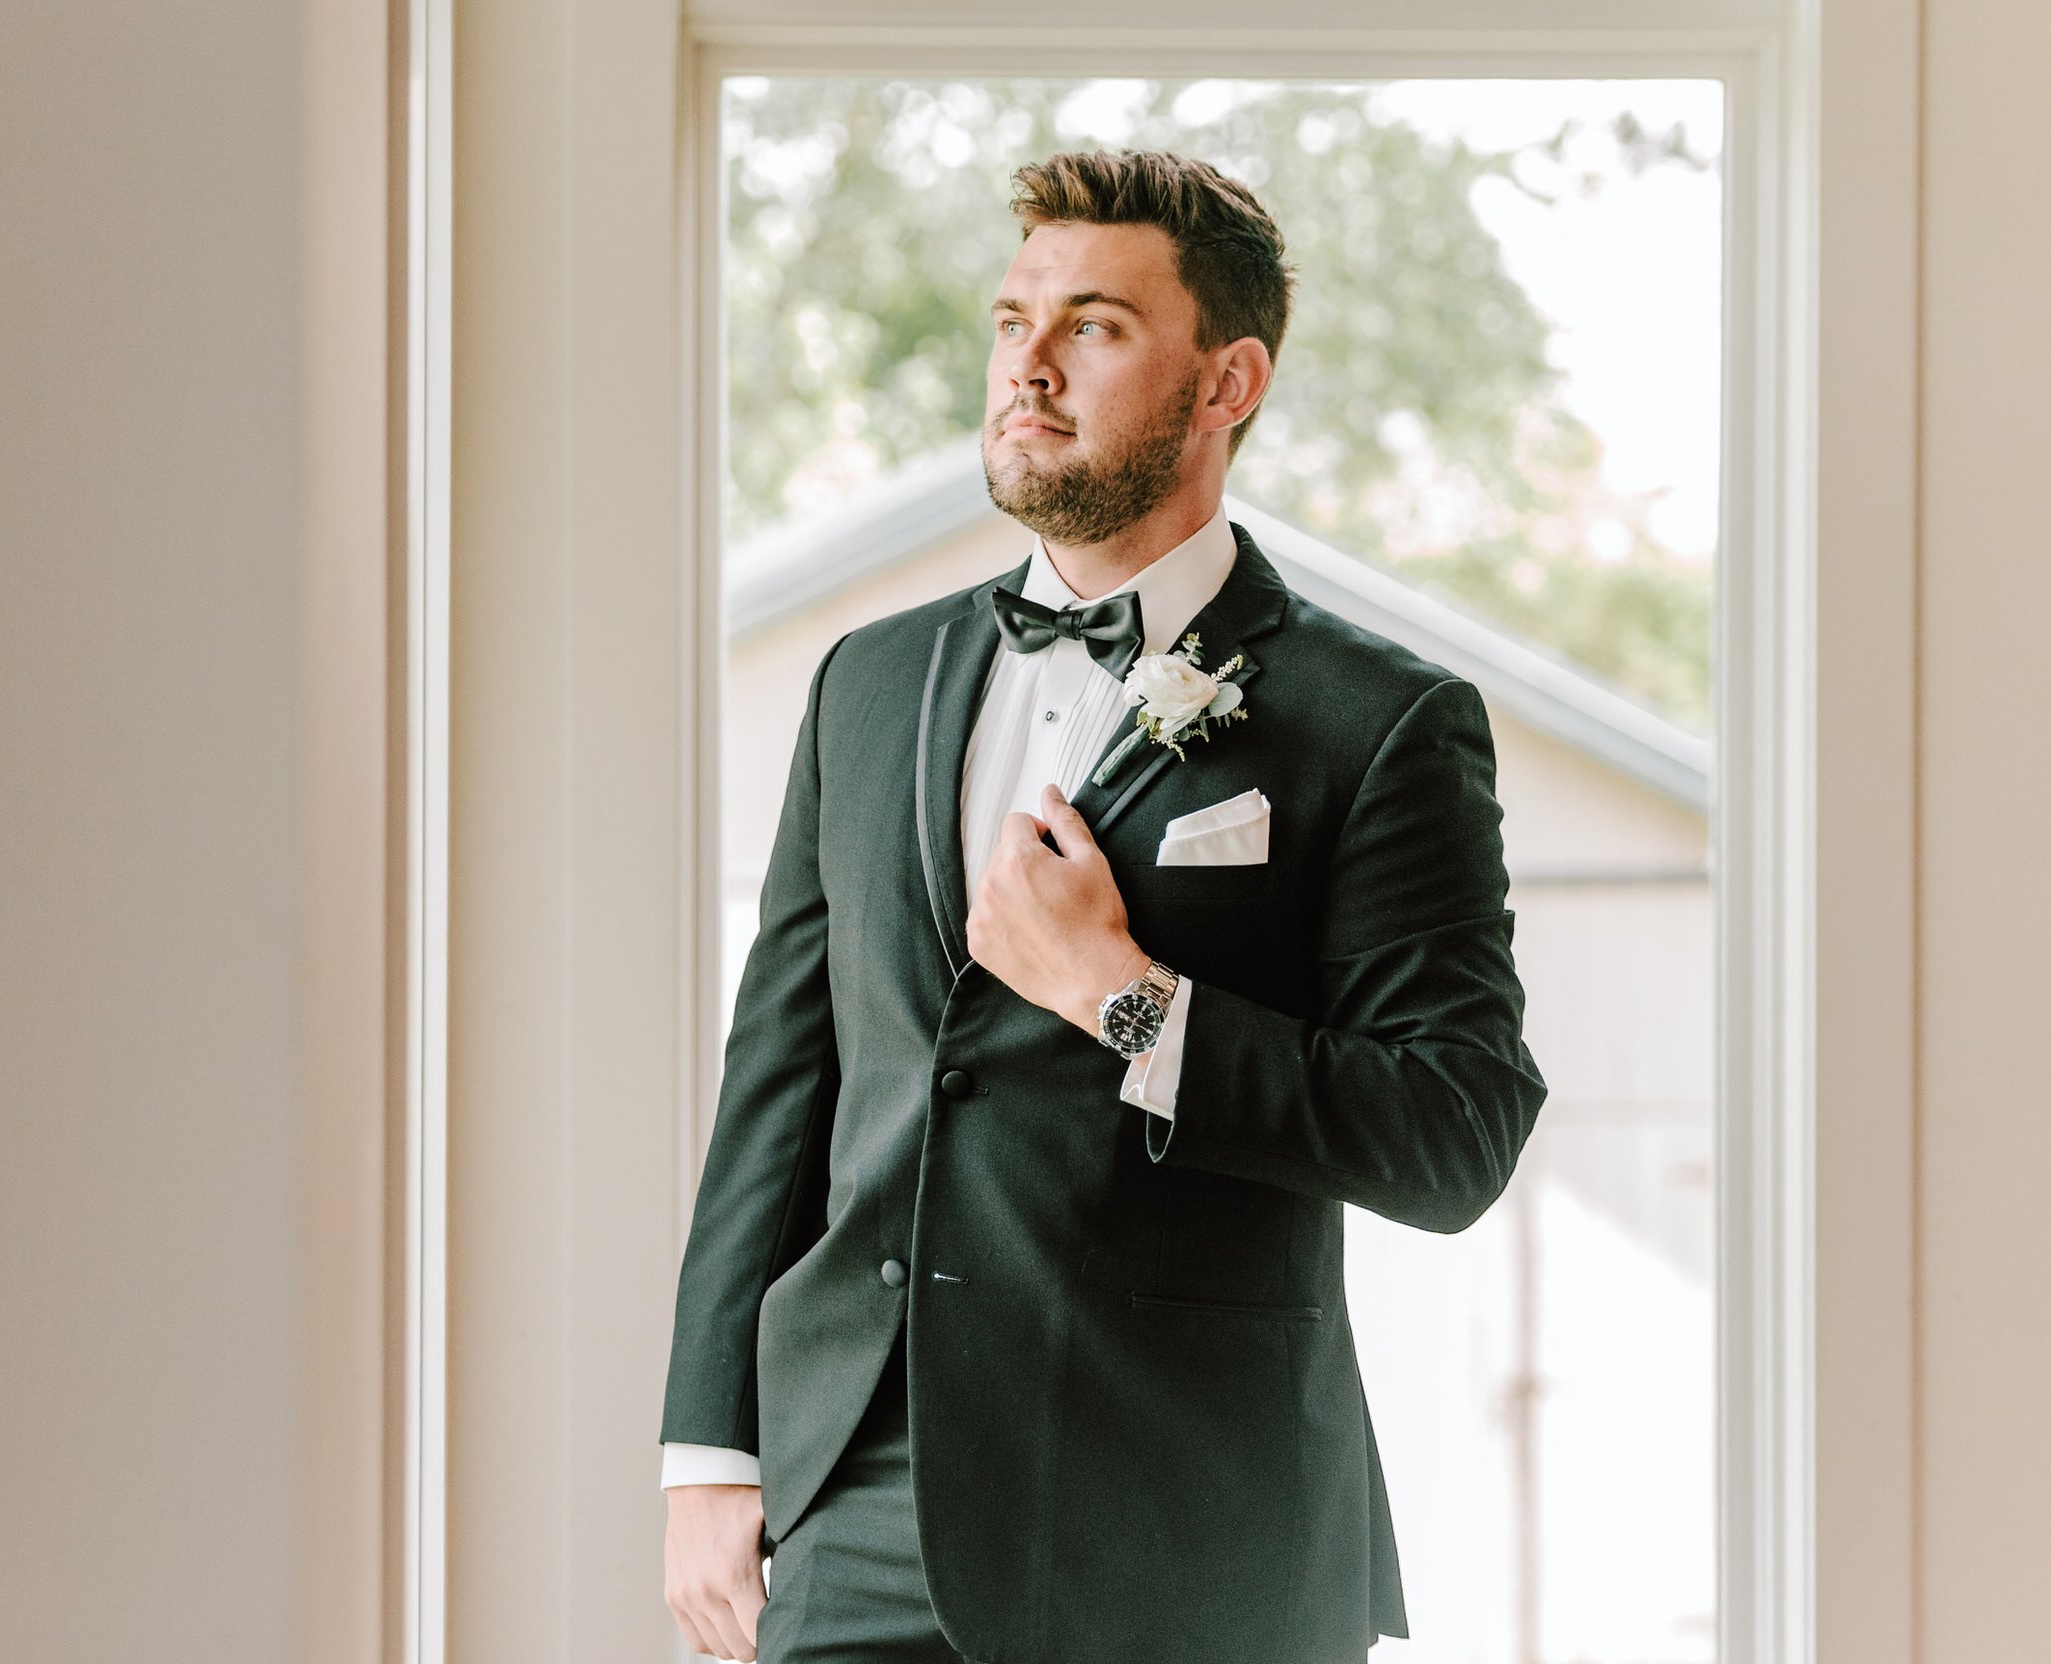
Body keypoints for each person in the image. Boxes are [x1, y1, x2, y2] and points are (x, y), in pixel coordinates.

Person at [659, 147, 1548, 1664]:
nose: (1031, 367)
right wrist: (710, 1456)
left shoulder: (1377, 721)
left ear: (1227, 381)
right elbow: (780, 1085)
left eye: (1096, 325)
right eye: (1014, 322)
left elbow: (1455, 1131)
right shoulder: (868, 684)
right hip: (855, 1509)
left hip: (1189, 1525)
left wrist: (1128, 1001)